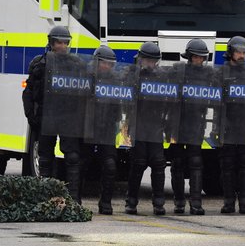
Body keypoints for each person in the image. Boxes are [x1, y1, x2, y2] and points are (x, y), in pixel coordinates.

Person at [22, 26, 87, 204]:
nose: (63, 46)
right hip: (46, 117)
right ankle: (45, 197)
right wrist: (31, 116)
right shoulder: (39, 63)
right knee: (45, 158)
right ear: (51, 43)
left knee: (73, 158)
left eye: (66, 42)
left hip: (68, 117)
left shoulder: (77, 64)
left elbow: (84, 92)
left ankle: (73, 199)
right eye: (59, 42)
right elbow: (28, 92)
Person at [169, 39, 216, 215]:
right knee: (177, 162)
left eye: (201, 57)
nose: (198, 60)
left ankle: (196, 203)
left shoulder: (209, 74)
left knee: (196, 162)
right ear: (189, 56)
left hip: (197, 121)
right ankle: (179, 202)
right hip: (177, 121)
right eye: (196, 56)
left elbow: (217, 94)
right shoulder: (177, 71)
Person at [125, 42, 171, 215]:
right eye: (147, 60)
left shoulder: (162, 77)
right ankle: (131, 201)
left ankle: (159, 203)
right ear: (141, 59)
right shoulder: (132, 74)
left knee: (159, 164)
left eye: (153, 61)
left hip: (156, 126)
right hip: (138, 125)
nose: (150, 64)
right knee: (138, 164)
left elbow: (170, 99)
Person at [219, 35, 245, 214]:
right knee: (227, 167)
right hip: (227, 126)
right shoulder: (221, 73)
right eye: (238, 52)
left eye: (244, 52)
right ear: (230, 53)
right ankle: (228, 202)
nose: (241, 55)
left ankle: (244, 201)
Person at [85, 45, 121, 215]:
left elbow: (119, 106)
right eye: (103, 63)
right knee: (80, 164)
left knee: (110, 165)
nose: (106, 66)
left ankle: (105, 202)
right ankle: (75, 200)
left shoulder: (115, 81)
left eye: (109, 64)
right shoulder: (86, 78)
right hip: (88, 128)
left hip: (107, 130)